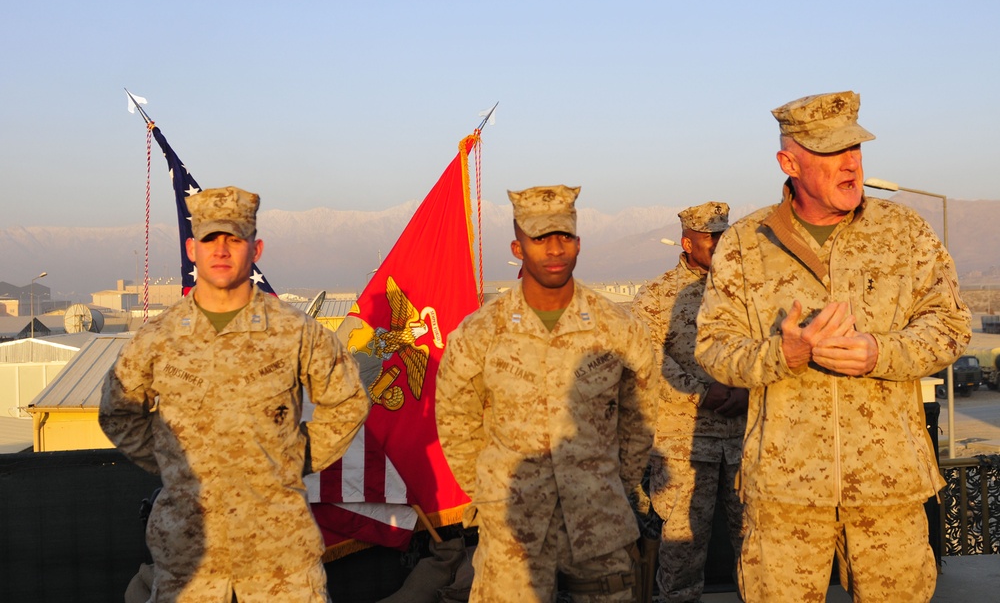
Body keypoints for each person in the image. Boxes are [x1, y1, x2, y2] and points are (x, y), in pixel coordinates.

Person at [695, 91, 972, 602]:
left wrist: (881, 353)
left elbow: (951, 324)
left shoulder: (902, 231)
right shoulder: (744, 242)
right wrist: (785, 355)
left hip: (889, 488)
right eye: (830, 152)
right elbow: (713, 347)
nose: (850, 164)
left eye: (856, 149)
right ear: (789, 161)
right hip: (784, 493)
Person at [99, 186, 370, 602]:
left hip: (280, 560)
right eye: (210, 239)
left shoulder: (294, 331)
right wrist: (174, 463)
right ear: (192, 248)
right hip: (189, 561)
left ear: (255, 248)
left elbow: (347, 401)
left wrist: (295, 456)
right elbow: (119, 411)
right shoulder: (158, 338)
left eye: (234, 238)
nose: (221, 250)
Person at [435, 185, 658, 602]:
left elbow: (640, 417)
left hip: (600, 526)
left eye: (565, 237)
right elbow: (454, 420)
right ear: (517, 247)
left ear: (578, 243)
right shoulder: (481, 332)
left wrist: (610, 485)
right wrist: (492, 490)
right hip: (513, 532)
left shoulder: (617, 328)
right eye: (540, 238)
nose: (554, 249)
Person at [631, 201, 746, 602]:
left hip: (745, 439)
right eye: (710, 237)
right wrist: (702, 393)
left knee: (757, 548)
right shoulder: (658, 294)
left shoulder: (748, 289)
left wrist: (749, 389)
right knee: (681, 556)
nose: (719, 242)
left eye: (724, 234)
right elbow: (648, 360)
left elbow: (773, 348)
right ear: (687, 242)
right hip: (685, 445)